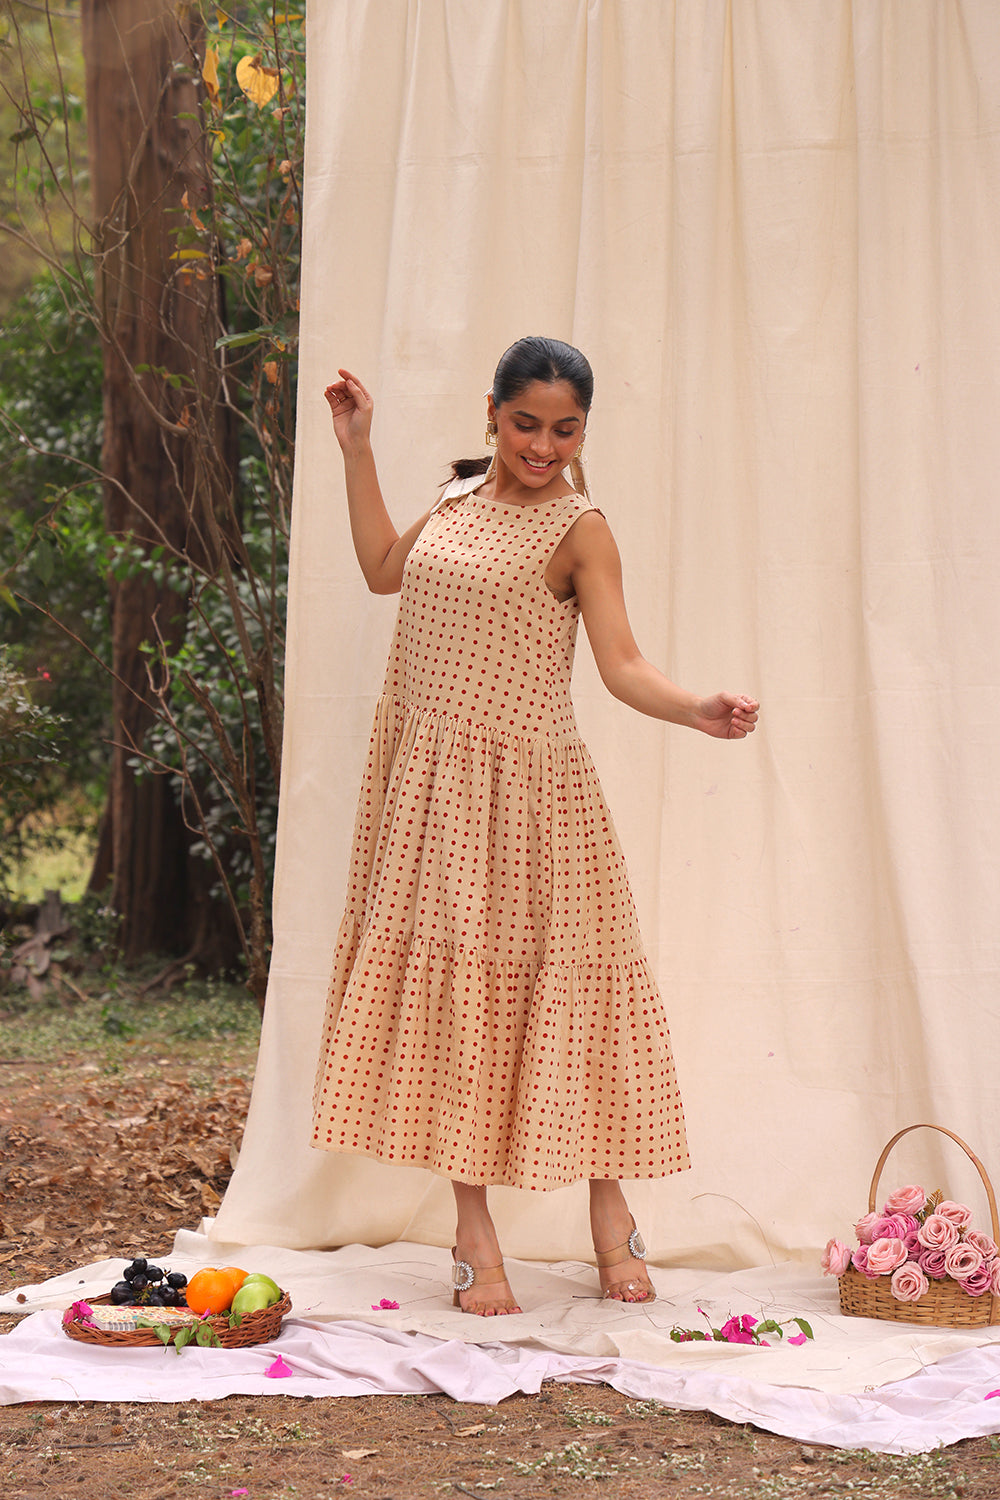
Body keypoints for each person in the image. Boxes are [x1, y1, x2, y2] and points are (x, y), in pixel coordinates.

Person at [312, 337, 759, 1316]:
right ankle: (475, 1233)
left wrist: (693, 707)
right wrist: (356, 450)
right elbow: (386, 571)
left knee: (574, 999)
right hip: (430, 792)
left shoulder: (579, 528)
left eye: (564, 429)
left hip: (532, 800)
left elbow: (620, 662)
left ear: (582, 431)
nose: (542, 445)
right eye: (526, 424)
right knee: (457, 1006)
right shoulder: (459, 495)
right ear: (492, 414)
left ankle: (613, 1221)